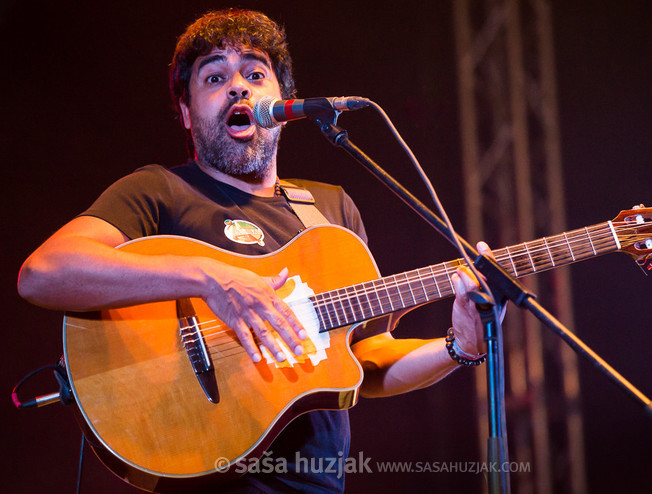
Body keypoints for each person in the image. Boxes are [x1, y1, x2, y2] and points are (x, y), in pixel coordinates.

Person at [17, 9, 495, 493]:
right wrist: (207, 277)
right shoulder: (159, 191)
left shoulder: (329, 208)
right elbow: (43, 273)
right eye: (214, 77)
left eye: (254, 73)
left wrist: (459, 348)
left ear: (282, 101)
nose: (238, 87)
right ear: (186, 111)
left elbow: (364, 363)